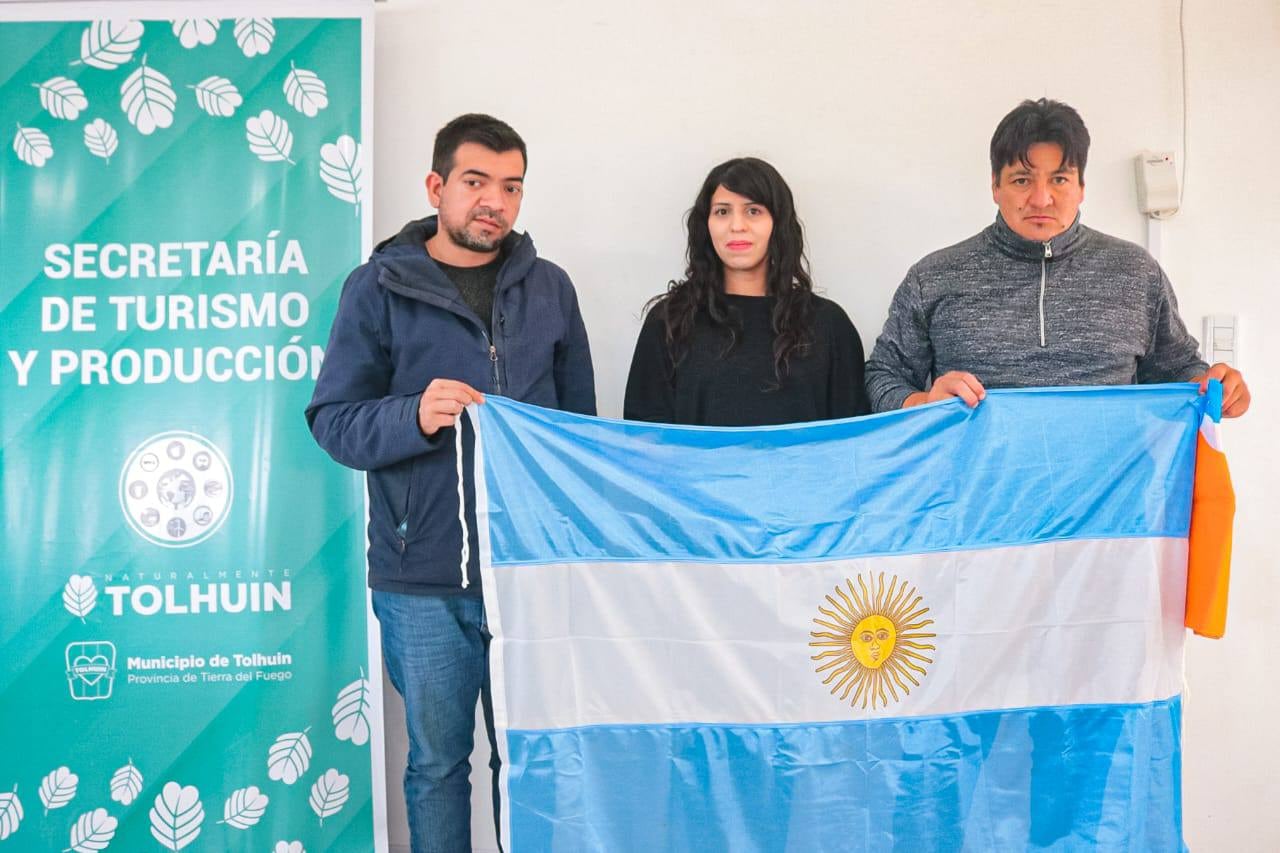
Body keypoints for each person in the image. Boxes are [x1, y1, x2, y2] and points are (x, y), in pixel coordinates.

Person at [306, 113, 595, 853]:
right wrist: (413, 415)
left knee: (529, 758)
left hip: (528, 574)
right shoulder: (376, 288)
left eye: (511, 187)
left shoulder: (552, 290)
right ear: (437, 187)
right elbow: (333, 420)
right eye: (475, 182)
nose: (493, 201)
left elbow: (580, 436)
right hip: (419, 579)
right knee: (437, 765)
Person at [864, 98, 1250, 417]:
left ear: (1082, 187)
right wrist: (924, 402)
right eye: (1021, 180)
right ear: (995, 186)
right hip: (977, 503)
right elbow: (882, 377)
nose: (1041, 199)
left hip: (1110, 501)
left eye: (1059, 179)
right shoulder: (934, 277)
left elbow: (1180, 372)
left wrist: (1218, 386)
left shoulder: (1136, 273)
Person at [624, 157, 869, 426]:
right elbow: (645, 440)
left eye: (753, 211)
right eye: (722, 211)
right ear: (706, 224)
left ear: (777, 223)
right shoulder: (669, 322)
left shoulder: (829, 325)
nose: (737, 226)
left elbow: (852, 441)